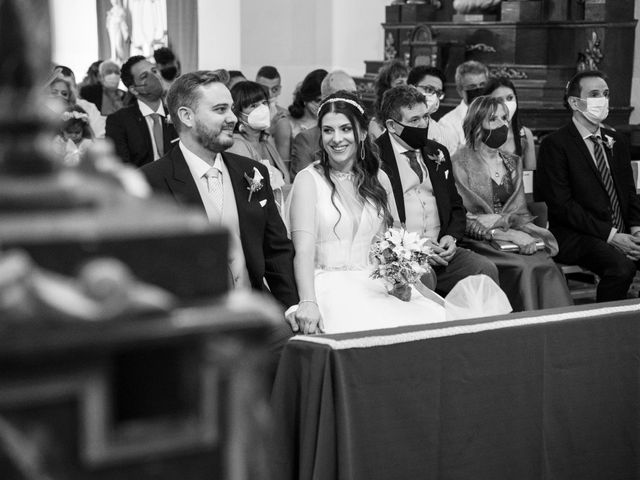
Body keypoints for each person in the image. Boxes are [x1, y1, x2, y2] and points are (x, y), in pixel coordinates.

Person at [286, 91, 447, 334]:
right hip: (328, 284)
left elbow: (393, 239)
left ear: (361, 133)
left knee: (433, 323)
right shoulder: (308, 180)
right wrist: (308, 301)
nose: (336, 139)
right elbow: (304, 251)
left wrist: (399, 279)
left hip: (375, 282)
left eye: (345, 129)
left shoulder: (379, 177)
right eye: (328, 130)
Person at [140, 70, 298, 311]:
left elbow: (276, 250)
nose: (233, 118)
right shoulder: (151, 181)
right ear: (187, 116)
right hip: (191, 323)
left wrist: (290, 308)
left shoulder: (253, 172)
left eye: (232, 109)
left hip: (255, 314)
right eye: (220, 109)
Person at [376, 85, 500, 296]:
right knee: (423, 276)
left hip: (442, 251)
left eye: (425, 117)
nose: (423, 124)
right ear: (392, 125)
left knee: (484, 269)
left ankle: (480, 328)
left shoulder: (437, 152)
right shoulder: (375, 157)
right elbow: (375, 220)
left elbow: (455, 205)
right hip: (402, 254)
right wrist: (415, 247)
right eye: (414, 120)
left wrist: (451, 237)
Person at [452, 95, 573, 311]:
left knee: (546, 264)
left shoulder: (512, 162)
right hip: (478, 240)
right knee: (523, 267)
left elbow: (521, 213)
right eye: (493, 119)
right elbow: (460, 217)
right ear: (476, 124)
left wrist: (508, 225)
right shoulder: (459, 162)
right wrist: (501, 231)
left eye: (504, 118)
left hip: (513, 236)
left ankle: (553, 331)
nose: (502, 125)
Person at [536, 70, 640, 302]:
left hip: (622, 229)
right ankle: (605, 330)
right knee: (621, 268)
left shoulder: (617, 141)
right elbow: (562, 206)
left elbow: (629, 193)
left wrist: (636, 230)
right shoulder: (555, 145)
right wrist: (612, 236)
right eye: (594, 94)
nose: (602, 100)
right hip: (577, 234)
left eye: (605, 94)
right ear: (575, 102)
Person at [227, 81, 290, 209]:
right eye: (253, 105)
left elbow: (285, 182)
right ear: (238, 113)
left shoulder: (265, 143)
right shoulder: (237, 145)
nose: (262, 109)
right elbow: (250, 193)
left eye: (264, 103)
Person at [105, 55, 177, 167]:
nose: (155, 77)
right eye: (144, 76)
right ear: (134, 89)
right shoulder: (119, 121)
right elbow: (121, 167)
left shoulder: (176, 114)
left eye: (154, 71)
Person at [289, 70, 358, 178]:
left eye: (354, 95)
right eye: (343, 96)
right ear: (326, 100)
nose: (351, 101)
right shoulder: (306, 140)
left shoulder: (363, 134)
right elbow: (301, 184)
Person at [482, 77, 536, 170]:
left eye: (510, 98)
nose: (506, 104)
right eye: (499, 100)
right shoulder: (479, 134)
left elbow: (530, 175)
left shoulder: (525, 135)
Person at [439, 60, 489, 155]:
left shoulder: (498, 114)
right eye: (472, 87)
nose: (478, 90)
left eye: (482, 85)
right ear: (460, 91)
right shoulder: (448, 124)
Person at [406, 65, 457, 154]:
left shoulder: (444, 134)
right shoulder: (394, 126)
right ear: (411, 88)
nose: (433, 96)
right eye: (429, 89)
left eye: (438, 93)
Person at [53, 66, 106, 138]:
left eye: (70, 87)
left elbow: (101, 137)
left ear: (76, 87)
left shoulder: (89, 108)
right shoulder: (41, 110)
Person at [256, 65, 292, 163]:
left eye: (275, 89)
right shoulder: (248, 115)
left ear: (280, 89)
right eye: (264, 89)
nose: (270, 94)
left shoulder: (284, 116)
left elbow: (284, 161)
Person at [368, 59, 409, 140]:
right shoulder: (376, 125)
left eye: (407, 82)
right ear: (387, 89)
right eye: (400, 83)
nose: (406, 87)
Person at [288, 69, 327, 140]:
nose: (321, 106)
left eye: (325, 101)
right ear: (305, 98)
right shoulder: (289, 124)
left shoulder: (329, 122)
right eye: (317, 100)